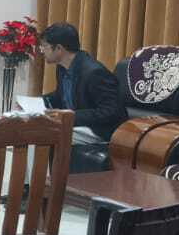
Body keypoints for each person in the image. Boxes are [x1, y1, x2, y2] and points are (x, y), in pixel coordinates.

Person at [35, 23, 126, 151]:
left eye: (44, 46)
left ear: (59, 48)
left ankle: (45, 166)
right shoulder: (62, 67)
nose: (41, 50)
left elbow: (111, 111)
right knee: (35, 128)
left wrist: (70, 116)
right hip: (79, 125)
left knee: (45, 134)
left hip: (100, 130)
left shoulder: (94, 73)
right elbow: (61, 95)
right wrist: (36, 102)